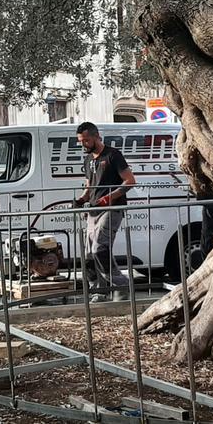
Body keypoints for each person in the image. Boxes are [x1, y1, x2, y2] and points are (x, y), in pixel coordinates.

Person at [74, 122, 136, 303]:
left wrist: (109, 198)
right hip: (93, 210)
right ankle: (99, 291)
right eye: (80, 141)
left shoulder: (113, 155)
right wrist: (81, 199)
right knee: (88, 255)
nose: (83, 144)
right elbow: (89, 186)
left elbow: (130, 181)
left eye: (86, 140)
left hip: (111, 209)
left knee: (100, 248)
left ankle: (121, 286)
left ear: (96, 136)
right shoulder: (88, 160)